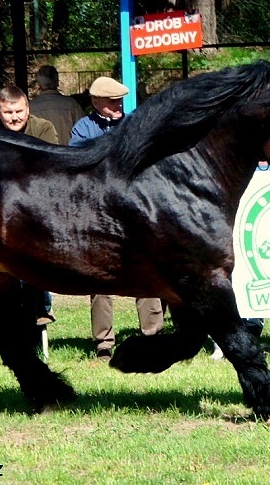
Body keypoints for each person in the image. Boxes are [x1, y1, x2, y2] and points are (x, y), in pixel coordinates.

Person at [69, 76, 164, 360]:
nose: (118, 105)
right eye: (112, 102)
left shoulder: (133, 124)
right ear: (96, 102)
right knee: (99, 280)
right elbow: (77, 165)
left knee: (147, 273)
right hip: (98, 212)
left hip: (134, 211)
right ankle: (103, 344)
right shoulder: (83, 129)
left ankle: (154, 336)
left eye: (120, 101)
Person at [0, 85, 58, 326]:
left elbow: (51, 168)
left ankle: (41, 308)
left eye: (19, 111)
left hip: (37, 207)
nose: (14, 117)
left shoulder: (43, 128)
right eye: (8, 113)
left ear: (27, 109)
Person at [30, 65, 84, 145]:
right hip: (67, 153)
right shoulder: (71, 104)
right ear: (57, 82)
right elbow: (83, 133)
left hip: (41, 155)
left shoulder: (30, 107)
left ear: (39, 85)